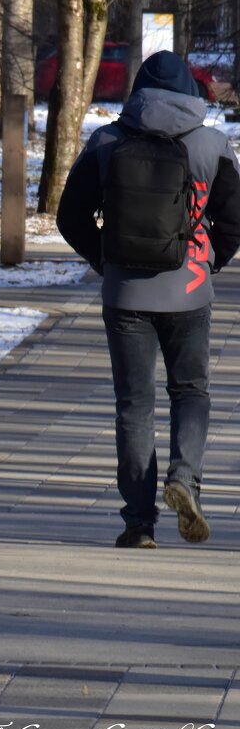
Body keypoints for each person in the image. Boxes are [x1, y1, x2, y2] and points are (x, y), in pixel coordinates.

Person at [57, 50, 240, 549]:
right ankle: (185, 479)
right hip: (189, 291)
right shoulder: (212, 144)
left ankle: (139, 523)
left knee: (134, 406)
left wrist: (106, 261)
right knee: (191, 392)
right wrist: (207, 264)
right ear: (192, 93)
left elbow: (69, 218)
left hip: (125, 296)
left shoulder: (107, 140)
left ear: (137, 92)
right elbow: (233, 223)